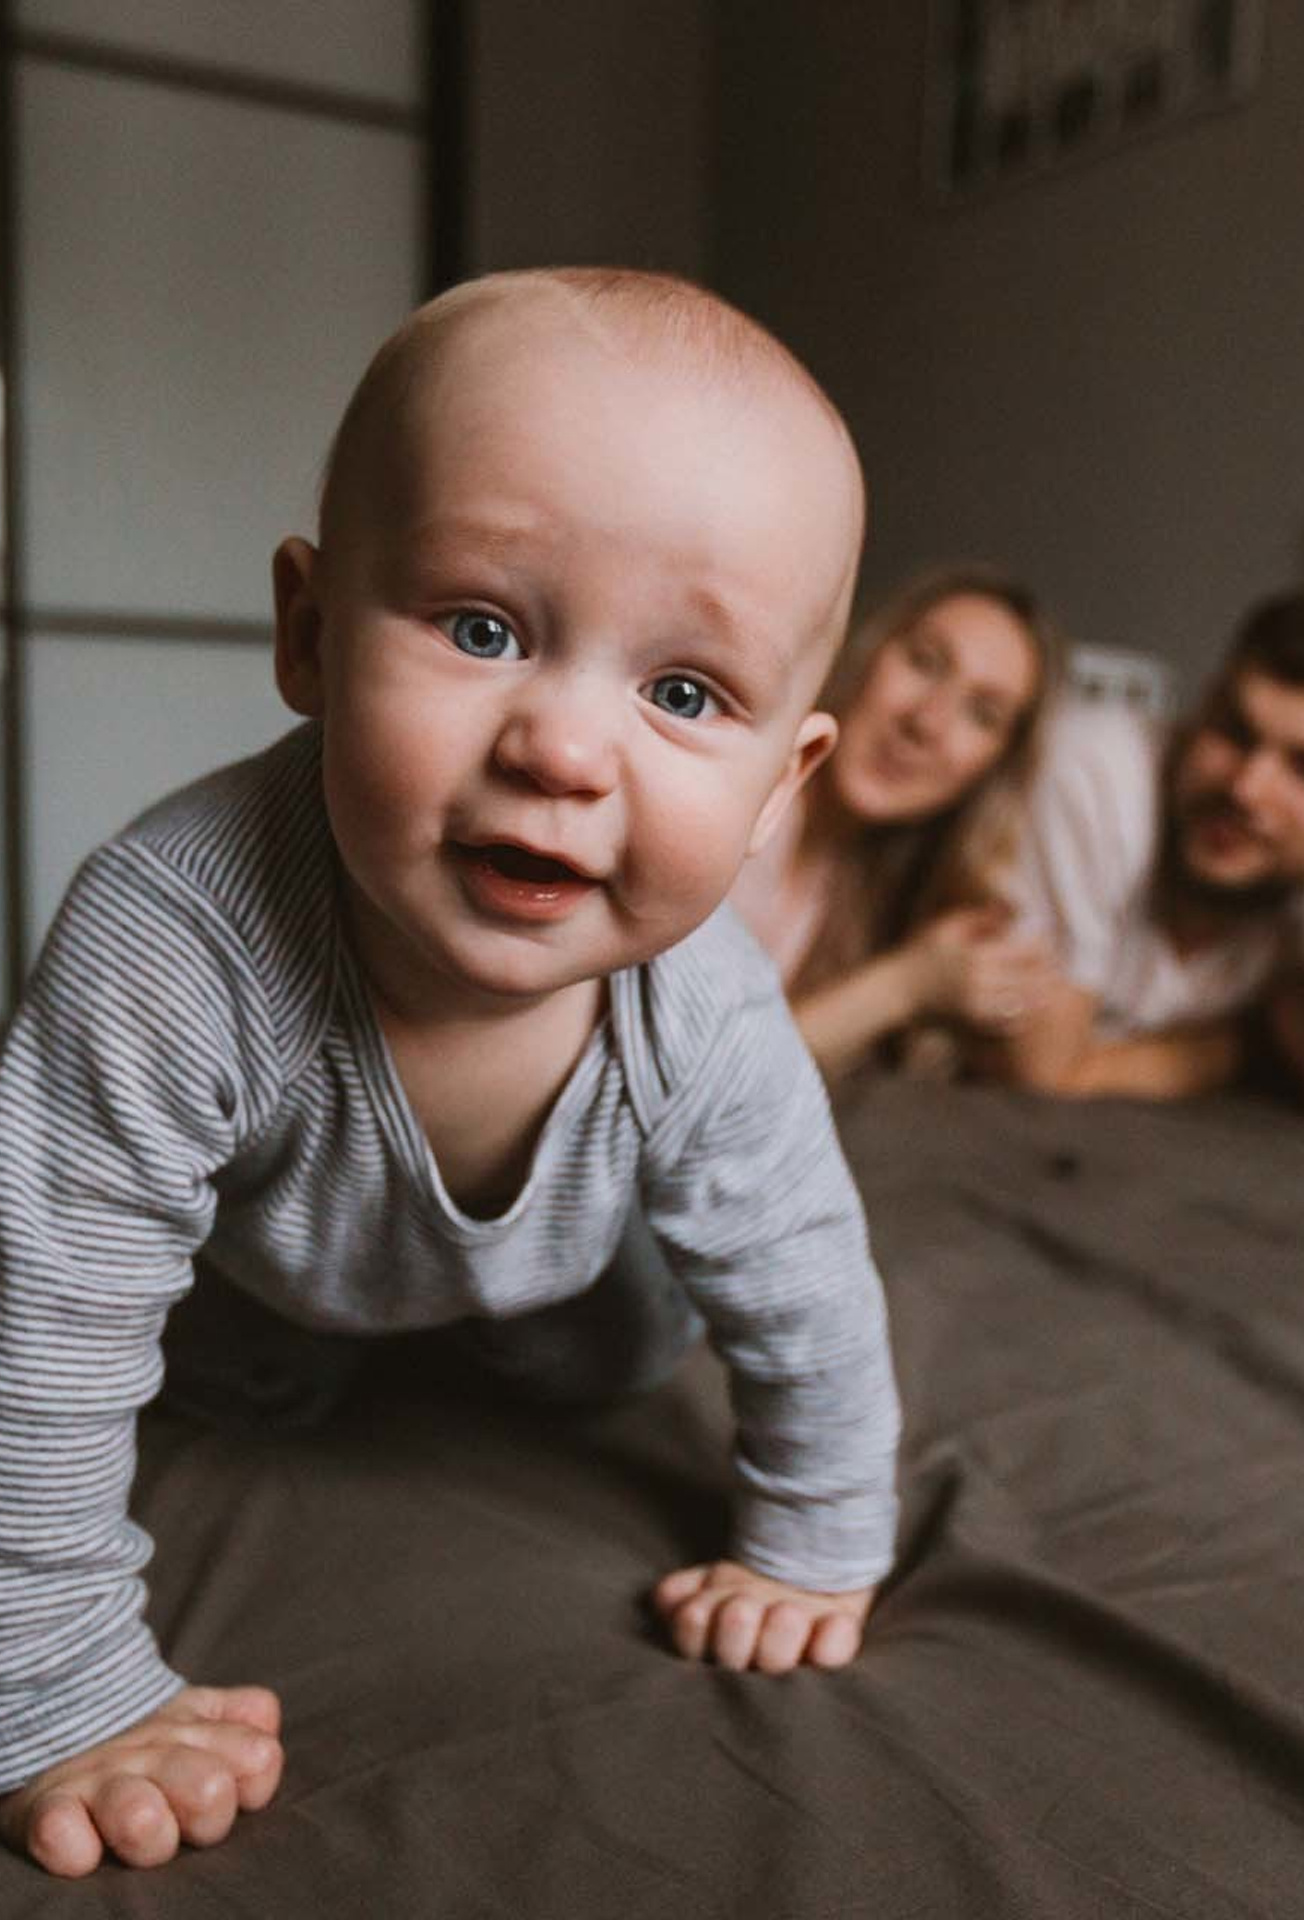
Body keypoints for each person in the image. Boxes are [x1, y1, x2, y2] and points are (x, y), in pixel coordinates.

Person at [0, 269, 901, 1878]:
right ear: (309, 631)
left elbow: (804, 1274)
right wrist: (52, 1681)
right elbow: (43, 1316)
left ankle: (533, 1339)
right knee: (228, 1363)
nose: (562, 746)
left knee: (634, 1334)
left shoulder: (705, 1000)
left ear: (783, 784)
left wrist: (821, 1540)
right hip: (267, 1275)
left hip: (584, 1274)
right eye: (482, 628)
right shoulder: (176, 940)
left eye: (684, 694)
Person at [1000, 588, 1304, 1134]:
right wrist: (1238, 1049)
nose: (1246, 789)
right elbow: (1041, 1075)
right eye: (1233, 732)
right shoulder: (1093, 769)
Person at [729, 566, 1063, 1076]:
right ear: (864, 651)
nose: (926, 722)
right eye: (924, 662)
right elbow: (700, 1085)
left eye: (982, 714)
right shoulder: (742, 809)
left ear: (992, 768)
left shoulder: (875, 882)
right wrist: (907, 985)